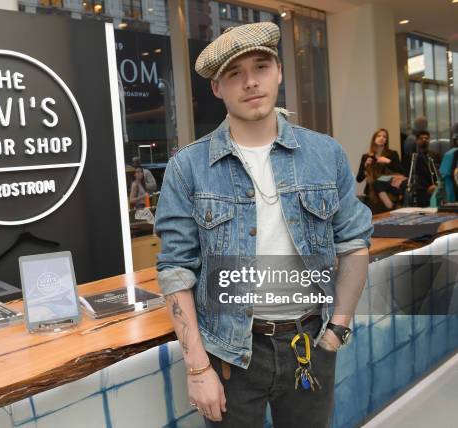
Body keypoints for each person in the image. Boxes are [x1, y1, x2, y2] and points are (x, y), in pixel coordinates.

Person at [154, 22, 373, 427]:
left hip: (310, 342)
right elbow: (175, 270)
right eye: (234, 74)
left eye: (261, 66)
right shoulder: (189, 167)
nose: (250, 82)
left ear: (279, 72)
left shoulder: (325, 154)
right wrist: (197, 368)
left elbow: (354, 243)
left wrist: (335, 332)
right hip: (230, 354)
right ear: (217, 88)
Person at [356, 128, 406, 210]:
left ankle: (391, 205)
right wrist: (365, 166)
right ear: (374, 139)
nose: (381, 138)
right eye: (379, 136)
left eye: (384, 137)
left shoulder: (392, 154)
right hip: (372, 192)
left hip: (389, 189)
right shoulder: (366, 156)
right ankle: (390, 206)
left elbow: (402, 171)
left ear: (386, 140)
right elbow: (359, 179)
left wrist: (389, 161)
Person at [403, 130, 441, 207]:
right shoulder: (411, 157)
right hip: (420, 188)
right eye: (421, 138)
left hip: (436, 185)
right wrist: (427, 188)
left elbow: (440, 172)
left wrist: (437, 185)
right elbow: (409, 175)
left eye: (426, 138)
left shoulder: (435, 155)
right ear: (416, 141)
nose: (424, 140)